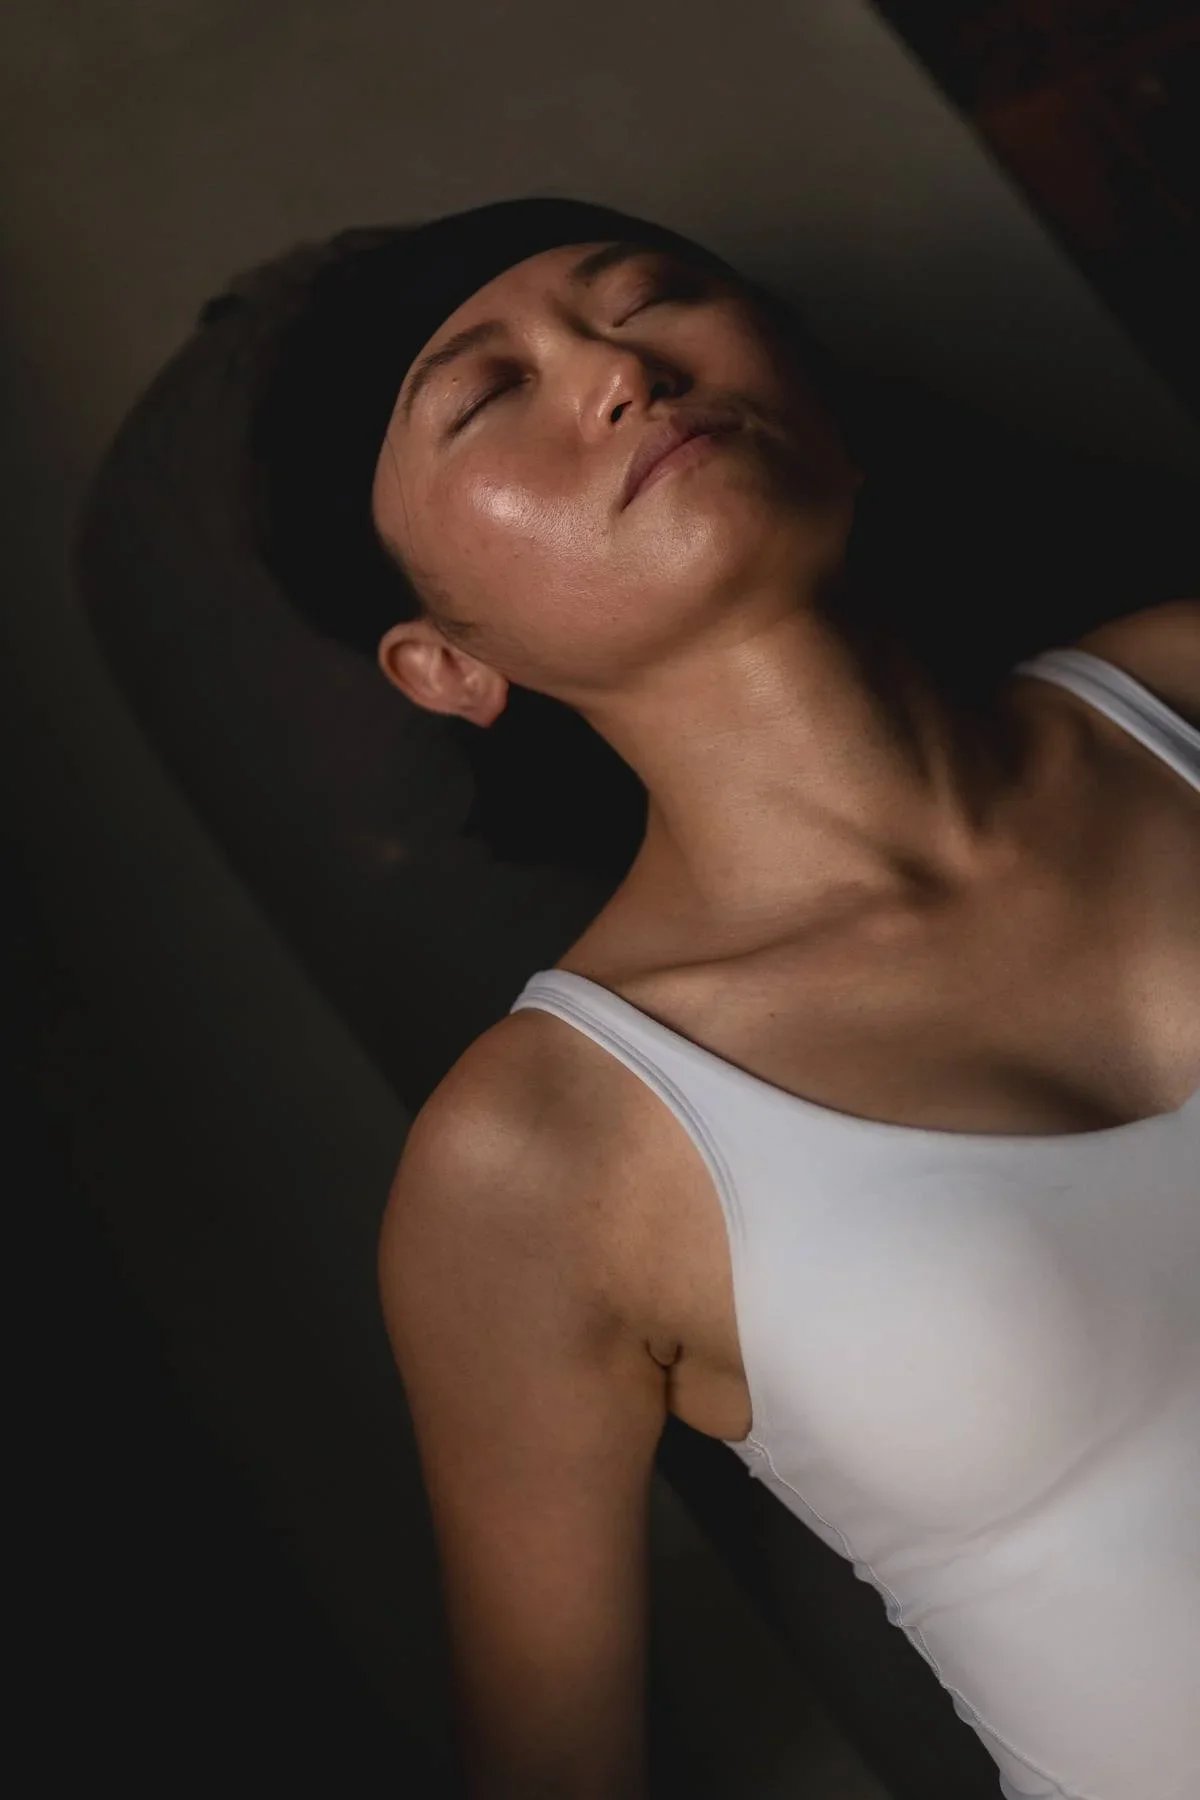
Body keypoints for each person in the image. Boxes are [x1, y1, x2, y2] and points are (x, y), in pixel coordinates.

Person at [246, 195, 1200, 1799]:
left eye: (650, 302)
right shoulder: (544, 1155)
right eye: (489, 396)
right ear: (446, 666)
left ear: (819, 398)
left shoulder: (1186, 690)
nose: (618, 374)